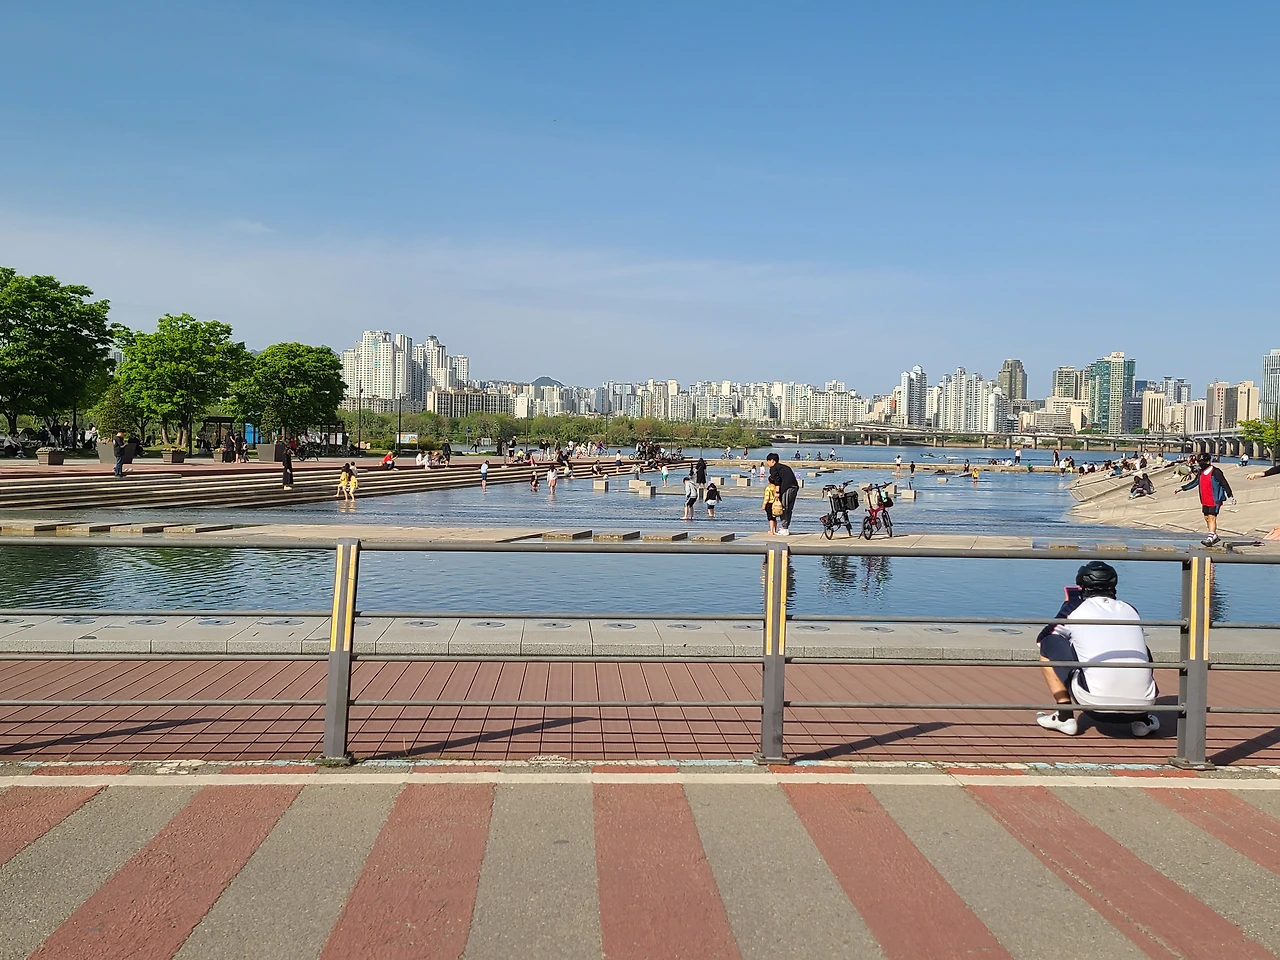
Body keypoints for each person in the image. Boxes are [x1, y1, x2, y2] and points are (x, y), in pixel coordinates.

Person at [1035, 561, 1159, 737]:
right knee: (1139, 649)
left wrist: (1066, 608)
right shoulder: (1130, 609)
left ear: (1081, 585)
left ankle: (1064, 717)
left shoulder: (1074, 608)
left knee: (1050, 642)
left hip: (1094, 704)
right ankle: (1142, 721)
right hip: (1142, 705)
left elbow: (1043, 639)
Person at [1176, 452, 1235, 545]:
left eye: (1202, 462)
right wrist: (1182, 488)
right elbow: (1194, 483)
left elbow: (1224, 484)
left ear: (1208, 461)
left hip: (1215, 499)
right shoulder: (1200, 472)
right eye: (1199, 462)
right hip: (1205, 499)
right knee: (1206, 517)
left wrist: (1230, 496)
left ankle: (1210, 538)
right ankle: (1214, 536)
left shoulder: (1216, 472)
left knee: (1212, 517)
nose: (1200, 464)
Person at [765, 453, 799, 535]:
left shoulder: (773, 468)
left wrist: (777, 492)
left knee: (783, 508)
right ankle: (785, 527)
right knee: (789, 509)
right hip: (794, 487)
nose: (767, 463)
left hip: (787, 488)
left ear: (772, 461)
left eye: (768, 461)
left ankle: (784, 528)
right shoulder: (785, 467)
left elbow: (777, 480)